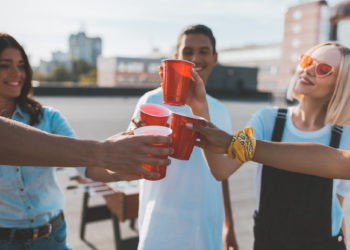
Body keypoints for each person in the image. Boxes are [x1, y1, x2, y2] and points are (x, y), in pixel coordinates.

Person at [0, 33, 171, 250]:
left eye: (22, 65)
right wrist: (105, 152)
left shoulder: (48, 117)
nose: (17, 73)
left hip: (52, 237)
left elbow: (87, 168)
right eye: (5, 65)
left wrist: (122, 169)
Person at [187, 42, 350, 249]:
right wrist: (200, 107)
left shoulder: (346, 135)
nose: (307, 70)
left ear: (341, 84)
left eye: (323, 69)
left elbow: (336, 207)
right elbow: (221, 169)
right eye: (308, 61)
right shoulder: (268, 120)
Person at [129, 24, 239, 250]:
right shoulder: (150, 102)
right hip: (160, 226)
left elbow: (222, 171)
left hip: (206, 227)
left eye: (203, 51)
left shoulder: (220, 110)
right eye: (188, 51)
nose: (195, 58)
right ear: (176, 55)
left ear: (215, 57)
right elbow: (127, 156)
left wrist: (229, 225)